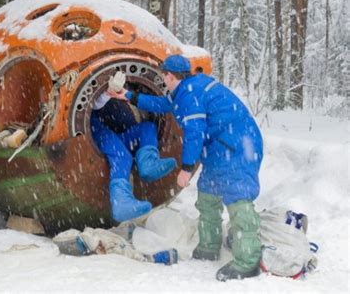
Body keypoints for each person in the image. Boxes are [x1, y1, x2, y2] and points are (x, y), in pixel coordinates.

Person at [107, 55, 263, 281]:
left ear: (170, 76)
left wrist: (186, 168)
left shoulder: (190, 93)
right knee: (208, 195)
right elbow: (164, 104)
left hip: (238, 146)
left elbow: (194, 132)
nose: (163, 80)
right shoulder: (186, 88)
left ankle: (248, 262)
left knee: (238, 199)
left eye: (164, 76)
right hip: (220, 148)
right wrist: (128, 96)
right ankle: (209, 247)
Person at [91, 74, 177, 223]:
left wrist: (119, 92)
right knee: (122, 156)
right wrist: (106, 92)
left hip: (117, 132)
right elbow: (93, 104)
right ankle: (121, 203)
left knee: (148, 127)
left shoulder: (120, 104)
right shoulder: (95, 93)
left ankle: (148, 164)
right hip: (96, 131)